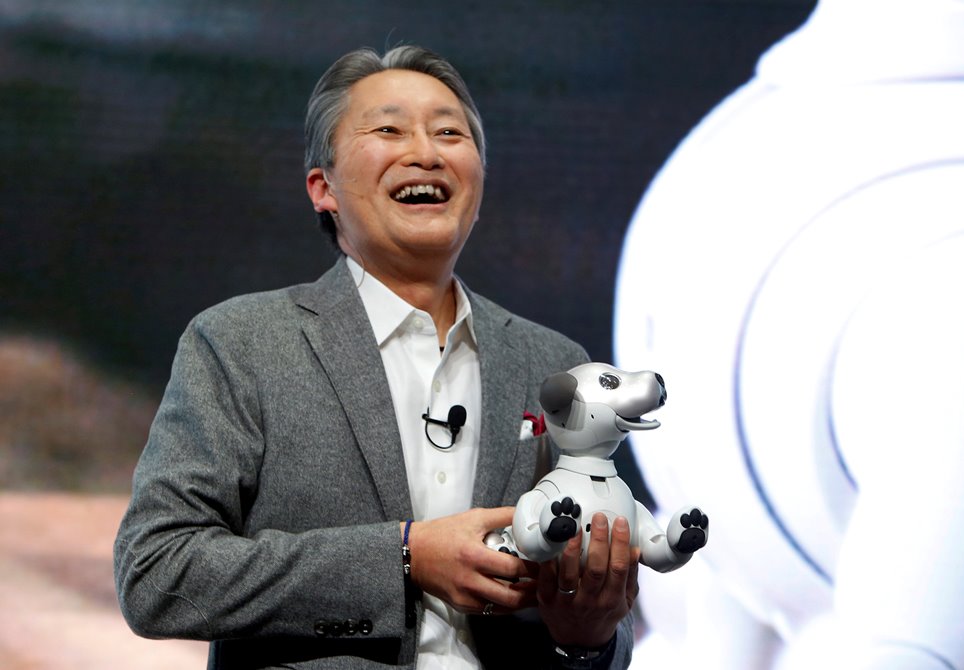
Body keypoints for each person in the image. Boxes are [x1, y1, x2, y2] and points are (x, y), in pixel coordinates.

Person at [114, 45, 638, 669]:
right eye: (389, 130)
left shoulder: (555, 363)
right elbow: (157, 573)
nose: (427, 153)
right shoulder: (241, 343)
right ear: (323, 188)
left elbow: (599, 625)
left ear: (477, 184)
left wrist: (586, 638)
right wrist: (404, 558)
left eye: (450, 133)